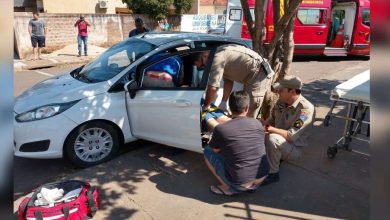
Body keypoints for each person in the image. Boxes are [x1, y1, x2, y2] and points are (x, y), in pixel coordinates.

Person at [204, 91, 269, 196]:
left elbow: (215, 150)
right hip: (262, 178)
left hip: (241, 185)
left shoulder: (221, 129)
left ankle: (227, 188)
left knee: (207, 150)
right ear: (247, 108)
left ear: (230, 108)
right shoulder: (257, 123)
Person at [259, 75, 315, 185]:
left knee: (272, 138)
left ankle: (273, 173)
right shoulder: (281, 102)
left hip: (293, 148)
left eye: (281, 90)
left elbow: (291, 136)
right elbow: (271, 120)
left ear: (292, 92)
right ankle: (268, 158)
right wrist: (262, 123)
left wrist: (268, 128)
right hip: (279, 140)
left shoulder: (306, 110)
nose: (277, 91)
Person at [193, 44, 274, 118]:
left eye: (203, 65)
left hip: (259, 75)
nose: (205, 67)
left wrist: (206, 106)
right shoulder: (219, 56)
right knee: (242, 112)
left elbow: (213, 87)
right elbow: (228, 81)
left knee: (248, 114)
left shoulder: (216, 58)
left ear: (205, 55)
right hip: (251, 77)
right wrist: (223, 102)